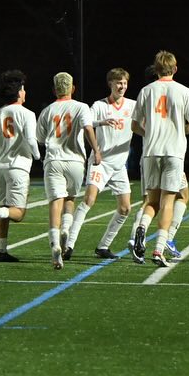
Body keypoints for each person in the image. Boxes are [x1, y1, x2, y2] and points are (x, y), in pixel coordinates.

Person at [130, 50, 189, 267]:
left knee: (152, 201)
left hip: (151, 151)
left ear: (156, 69)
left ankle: (140, 229)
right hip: (174, 152)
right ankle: (159, 249)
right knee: (168, 201)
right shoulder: (184, 91)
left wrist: (150, 133)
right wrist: (179, 132)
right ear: (175, 68)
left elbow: (134, 125)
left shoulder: (145, 91)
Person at [65, 68, 135, 260]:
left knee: (125, 208)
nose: (122, 86)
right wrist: (101, 122)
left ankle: (103, 247)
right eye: (119, 82)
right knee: (89, 200)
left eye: (125, 83)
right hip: (100, 162)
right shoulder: (99, 105)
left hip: (119, 166)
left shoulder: (132, 105)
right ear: (110, 84)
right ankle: (68, 245)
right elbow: (84, 123)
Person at [36, 72, 101, 269]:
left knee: (55, 202)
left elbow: (39, 138)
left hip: (54, 159)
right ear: (73, 88)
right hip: (75, 160)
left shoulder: (47, 110)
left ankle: (55, 244)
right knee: (70, 199)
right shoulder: (81, 107)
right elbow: (88, 129)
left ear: (54, 89)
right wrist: (96, 151)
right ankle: (66, 228)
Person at [0, 70, 40, 262]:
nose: (24, 92)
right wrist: (38, 156)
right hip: (18, 167)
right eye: (23, 89)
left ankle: (1, 252)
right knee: (18, 213)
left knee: (5, 207)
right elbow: (31, 139)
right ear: (18, 92)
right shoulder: (27, 113)